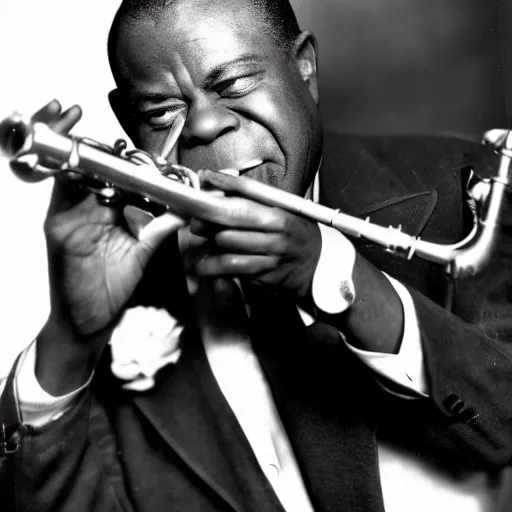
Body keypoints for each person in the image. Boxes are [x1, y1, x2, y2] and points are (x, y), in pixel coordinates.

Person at [2, 0, 512, 510]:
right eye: (160, 111)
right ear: (127, 120)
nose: (203, 125)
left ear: (305, 67)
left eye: (235, 84)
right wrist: (70, 337)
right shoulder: (122, 302)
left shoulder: (471, 189)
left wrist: (335, 276)